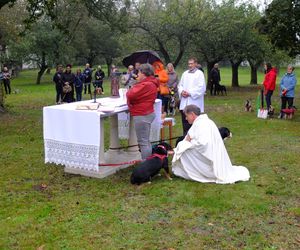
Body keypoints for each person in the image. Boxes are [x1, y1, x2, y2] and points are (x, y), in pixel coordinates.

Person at [172, 104, 250, 184]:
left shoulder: (200, 123)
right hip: (213, 153)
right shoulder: (204, 122)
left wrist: (186, 144)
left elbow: (203, 144)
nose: (186, 118)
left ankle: (194, 172)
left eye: (186, 115)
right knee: (182, 146)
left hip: (209, 156)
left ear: (192, 114)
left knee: (183, 149)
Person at [126, 63, 159, 160]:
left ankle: (145, 165)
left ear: (144, 74)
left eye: (139, 73)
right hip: (147, 112)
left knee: (143, 142)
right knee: (146, 141)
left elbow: (130, 94)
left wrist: (133, 86)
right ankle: (148, 162)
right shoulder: (151, 83)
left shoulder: (146, 84)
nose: (138, 75)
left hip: (142, 114)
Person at [178, 57, 206, 136]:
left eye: (191, 63)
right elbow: (180, 85)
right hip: (185, 103)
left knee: (194, 125)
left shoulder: (199, 74)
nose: (190, 65)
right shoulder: (185, 73)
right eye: (189, 63)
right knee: (185, 124)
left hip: (194, 103)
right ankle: (185, 138)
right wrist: (182, 91)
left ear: (196, 64)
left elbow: (201, 88)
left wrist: (190, 93)